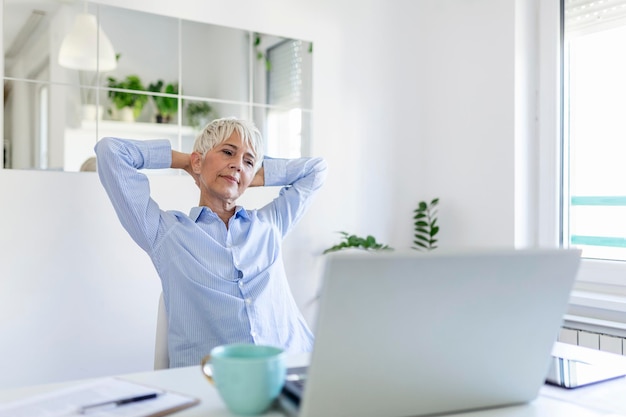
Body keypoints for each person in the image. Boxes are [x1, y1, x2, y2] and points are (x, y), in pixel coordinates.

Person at [95, 117, 327, 367]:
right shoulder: (166, 234)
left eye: (248, 161)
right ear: (198, 160)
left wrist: (252, 175)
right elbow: (111, 152)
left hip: (293, 368)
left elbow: (317, 169)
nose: (238, 164)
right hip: (215, 382)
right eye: (228, 152)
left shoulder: (269, 225)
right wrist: (187, 161)